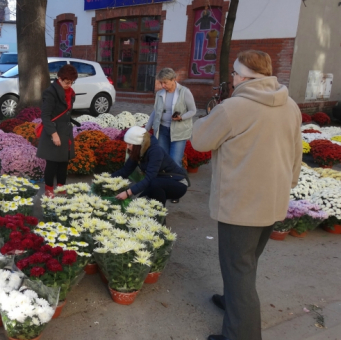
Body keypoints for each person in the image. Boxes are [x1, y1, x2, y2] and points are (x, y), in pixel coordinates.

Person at [191, 50, 302, 340]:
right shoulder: (289, 104)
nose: (233, 79)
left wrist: (205, 119)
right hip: (273, 200)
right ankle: (233, 302)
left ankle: (241, 334)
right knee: (247, 262)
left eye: (234, 74)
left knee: (238, 268)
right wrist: (289, 183)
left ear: (243, 76)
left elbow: (200, 140)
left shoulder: (233, 107)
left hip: (240, 205)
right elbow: (296, 151)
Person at [145, 68, 197, 203]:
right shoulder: (160, 93)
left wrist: (181, 117)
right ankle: (163, 188)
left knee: (175, 161)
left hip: (179, 132)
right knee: (162, 161)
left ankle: (177, 190)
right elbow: (155, 111)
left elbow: (193, 110)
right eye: (161, 83)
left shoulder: (184, 92)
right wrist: (147, 128)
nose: (163, 86)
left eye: (165, 83)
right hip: (162, 130)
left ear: (174, 80)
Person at [111, 126, 188, 207]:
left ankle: (158, 214)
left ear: (138, 144)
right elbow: (125, 171)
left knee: (154, 184)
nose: (127, 147)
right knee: (138, 202)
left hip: (178, 183)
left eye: (129, 144)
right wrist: (106, 179)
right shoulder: (137, 151)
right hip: (158, 181)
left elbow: (150, 178)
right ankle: (154, 213)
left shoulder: (155, 151)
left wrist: (127, 193)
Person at [36, 64, 78, 198]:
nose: (69, 85)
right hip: (54, 132)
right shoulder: (50, 92)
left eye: (71, 82)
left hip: (65, 131)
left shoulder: (70, 92)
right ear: (59, 78)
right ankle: (49, 189)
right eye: (67, 82)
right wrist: (54, 134)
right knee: (52, 163)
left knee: (64, 163)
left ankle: (61, 187)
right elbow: (45, 116)